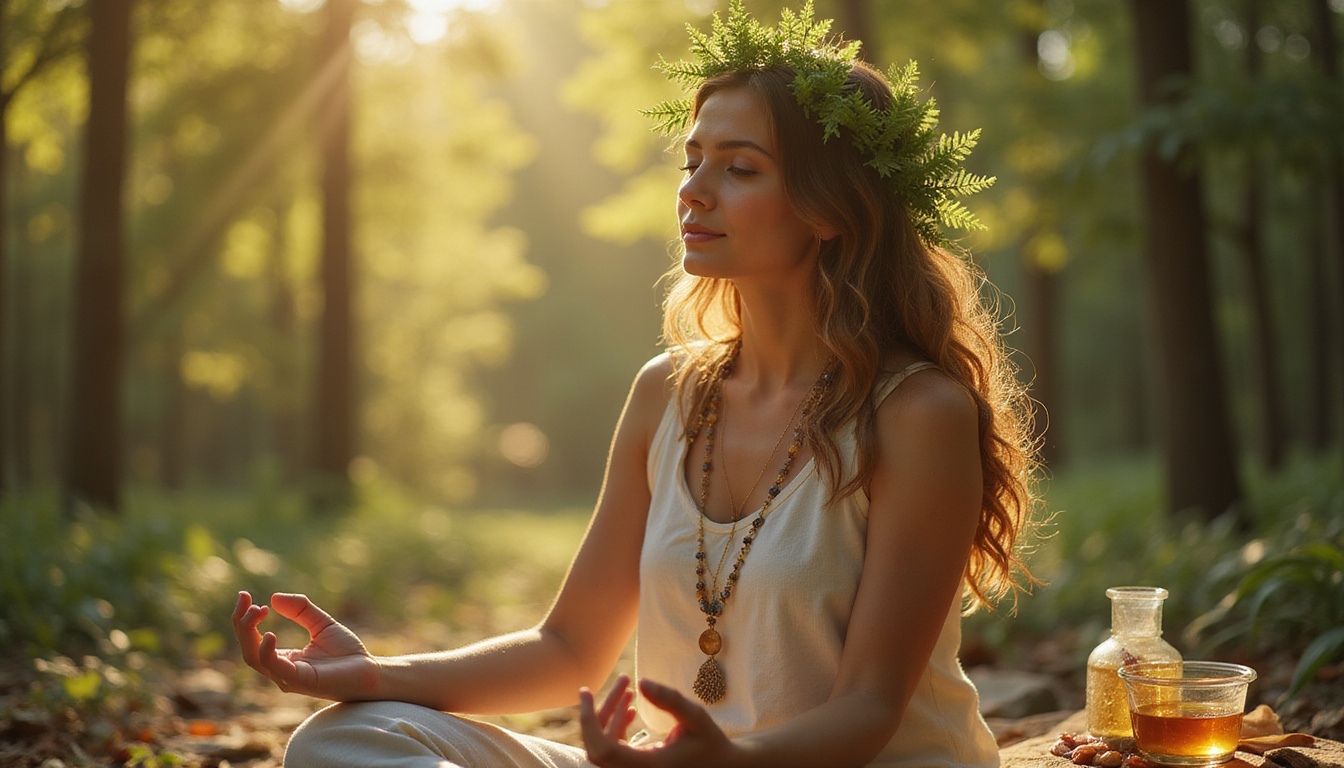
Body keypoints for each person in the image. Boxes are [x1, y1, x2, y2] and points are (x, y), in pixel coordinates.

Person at [232, 3, 1039, 766]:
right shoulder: (668, 394)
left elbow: (868, 709)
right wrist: (372, 676)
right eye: (692, 161)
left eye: (740, 168)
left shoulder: (918, 412)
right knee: (342, 741)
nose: (693, 190)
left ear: (830, 208)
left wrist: (725, 759)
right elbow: (568, 651)